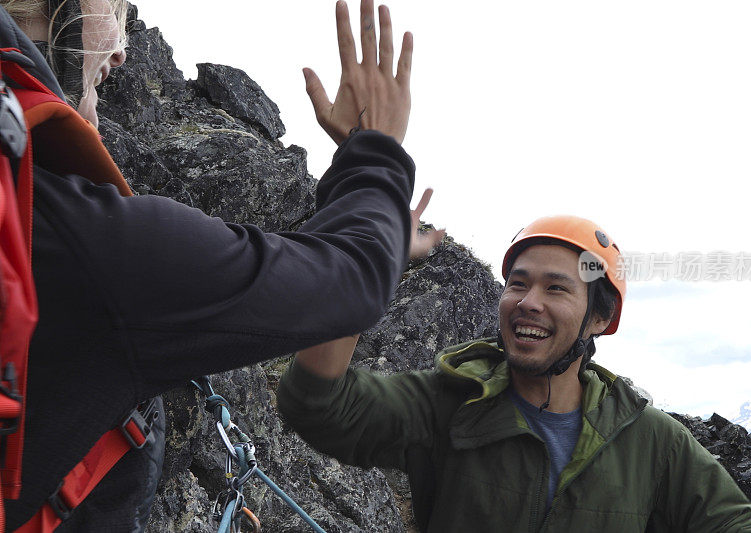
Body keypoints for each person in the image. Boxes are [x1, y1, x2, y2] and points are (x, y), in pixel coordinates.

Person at [0, 0, 439, 530]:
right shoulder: (92, 245)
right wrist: (377, 150)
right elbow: (350, 278)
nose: (122, 48)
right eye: (112, 5)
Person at [278, 215, 751, 532]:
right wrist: (362, 264)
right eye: (517, 283)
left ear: (598, 319)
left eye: (557, 289)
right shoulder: (449, 403)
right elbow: (320, 405)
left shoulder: (648, 439)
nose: (527, 303)